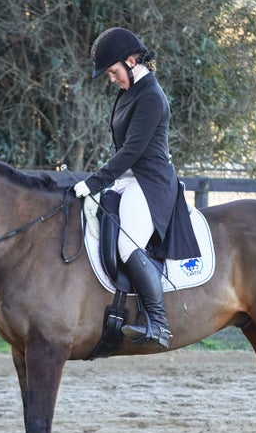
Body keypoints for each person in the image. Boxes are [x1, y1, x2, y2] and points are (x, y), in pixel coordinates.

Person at [73, 27, 200, 350]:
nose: (112, 79)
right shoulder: (128, 92)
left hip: (150, 183)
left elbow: (131, 151)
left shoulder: (151, 97)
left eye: (114, 72)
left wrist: (93, 182)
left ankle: (158, 323)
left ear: (131, 61)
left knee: (128, 246)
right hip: (127, 180)